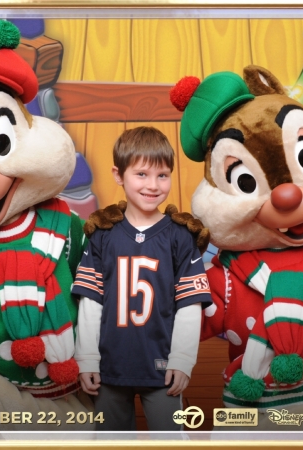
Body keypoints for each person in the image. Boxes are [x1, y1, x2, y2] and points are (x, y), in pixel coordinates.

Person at [72, 127, 212, 431]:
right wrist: (86, 359)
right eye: (142, 174)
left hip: (163, 369)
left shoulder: (180, 237)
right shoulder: (103, 236)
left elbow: (189, 306)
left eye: (162, 175)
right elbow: (91, 302)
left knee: (171, 439)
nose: (153, 185)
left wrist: (183, 359)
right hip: (109, 368)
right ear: (119, 175)